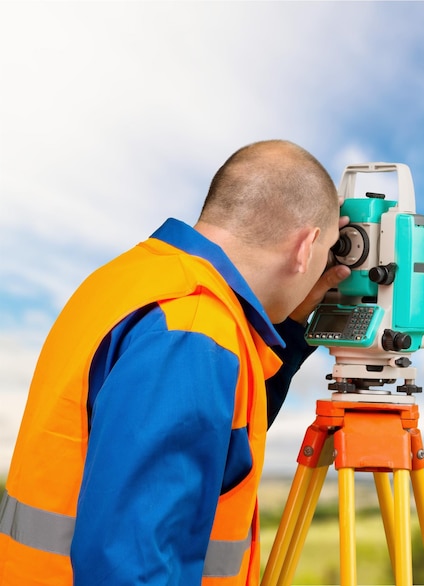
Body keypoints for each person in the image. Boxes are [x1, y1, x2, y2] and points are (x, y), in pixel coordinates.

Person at [0, 140, 350, 585]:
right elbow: (132, 566)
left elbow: (223, 445)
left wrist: (294, 333)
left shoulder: (132, 279)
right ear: (306, 247)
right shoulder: (194, 329)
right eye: (330, 249)